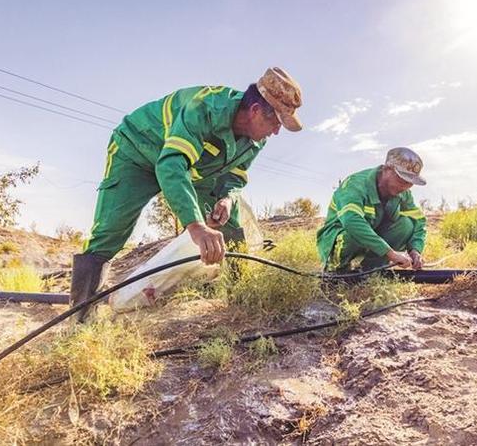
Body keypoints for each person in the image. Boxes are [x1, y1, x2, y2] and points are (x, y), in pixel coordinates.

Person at [71, 67, 303, 320]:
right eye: (276, 122)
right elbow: (171, 164)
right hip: (136, 152)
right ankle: (80, 317)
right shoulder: (204, 107)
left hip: (195, 169)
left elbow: (235, 177)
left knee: (231, 220)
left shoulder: (257, 138)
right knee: (110, 230)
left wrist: (226, 198)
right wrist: (196, 226)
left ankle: (241, 298)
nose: (277, 131)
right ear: (256, 110)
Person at [316, 147, 427, 273]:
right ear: (386, 169)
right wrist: (390, 253)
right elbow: (351, 221)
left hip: (373, 238)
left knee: (406, 224)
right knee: (354, 231)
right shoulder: (355, 184)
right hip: (341, 237)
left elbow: (419, 221)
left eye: (410, 182)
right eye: (401, 179)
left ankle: (371, 270)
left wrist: (415, 250)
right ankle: (335, 270)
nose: (405, 187)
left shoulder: (403, 192)